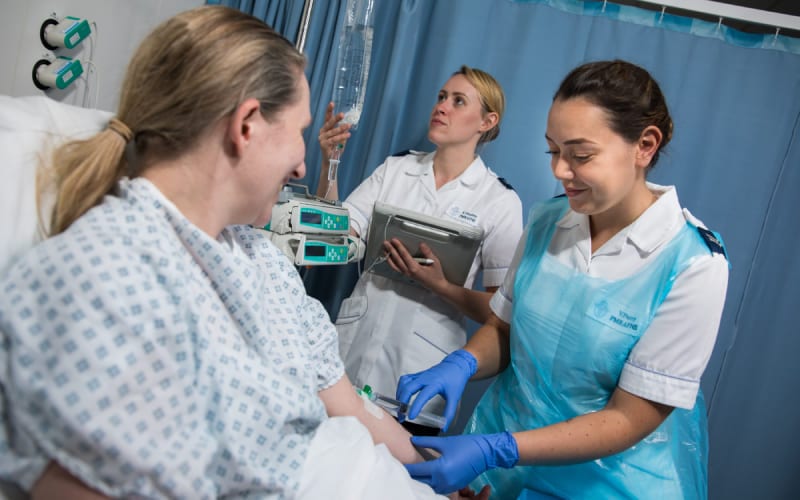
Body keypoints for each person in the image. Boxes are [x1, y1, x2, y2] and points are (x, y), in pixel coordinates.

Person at [0, 6, 481, 499]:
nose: (300, 164)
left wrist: (432, 475)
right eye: (298, 133)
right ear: (247, 125)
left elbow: (353, 408)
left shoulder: (260, 259)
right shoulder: (106, 280)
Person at [396, 59, 730, 498]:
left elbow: (630, 417)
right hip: (503, 472)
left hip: (606, 483)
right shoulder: (548, 221)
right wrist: (463, 363)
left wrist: (496, 449)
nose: (559, 171)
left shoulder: (692, 264)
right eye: (553, 151)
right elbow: (504, 328)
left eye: (581, 155)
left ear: (645, 146)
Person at [316, 66, 523, 435]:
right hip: (353, 351)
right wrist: (330, 163)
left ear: (487, 121)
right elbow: (335, 235)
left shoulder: (499, 200)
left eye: (458, 101)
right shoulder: (396, 169)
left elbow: (501, 312)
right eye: (441, 97)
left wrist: (440, 285)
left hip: (421, 368)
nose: (442, 107)